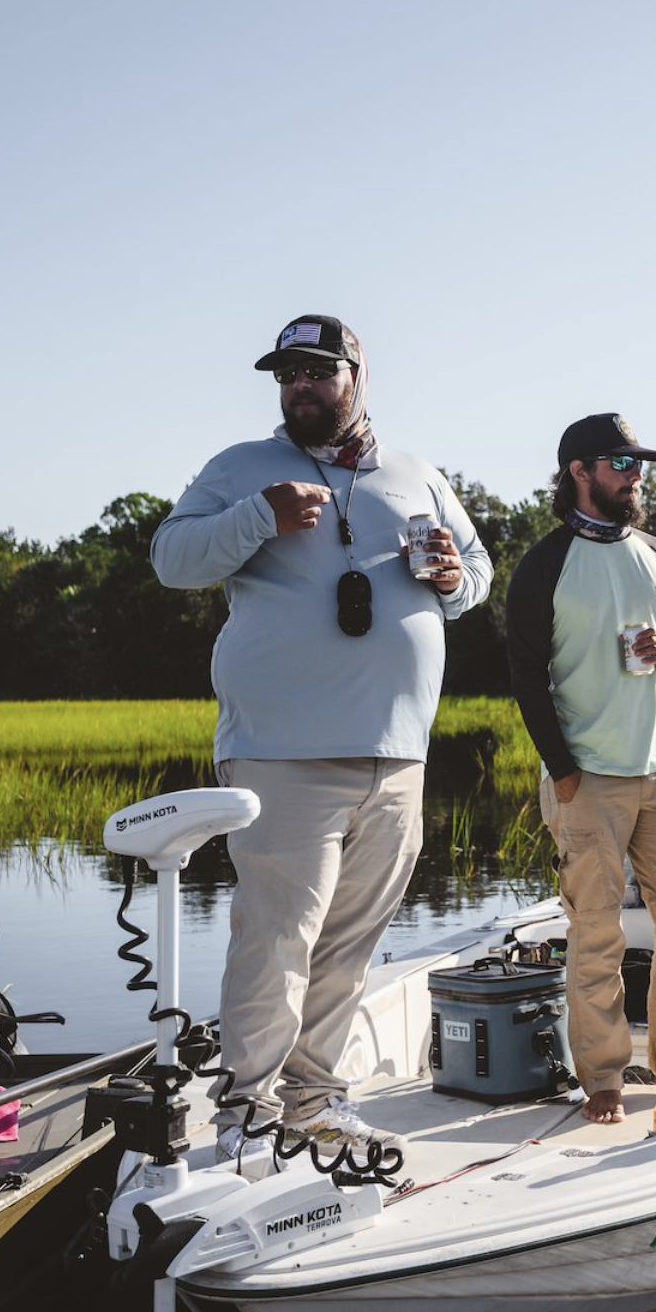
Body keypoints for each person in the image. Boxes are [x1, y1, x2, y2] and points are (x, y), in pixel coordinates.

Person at [150, 313, 492, 1153]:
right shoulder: (242, 469)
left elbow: (477, 574)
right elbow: (171, 559)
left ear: (357, 374)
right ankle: (247, 1113)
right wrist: (257, 518)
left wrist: (453, 577)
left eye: (317, 371)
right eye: (287, 374)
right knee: (277, 939)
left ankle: (315, 1099)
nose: (299, 386)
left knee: (348, 945)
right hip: (281, 753)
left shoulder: (417, 475)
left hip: (398, 756)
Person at [505, 413, 656, 1124]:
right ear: (580, 473)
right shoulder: (545, 564)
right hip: (587, 779)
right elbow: (526, 677)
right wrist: (562, 772)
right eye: (621, 464)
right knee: (596, 937)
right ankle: (602, 1081)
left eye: (638, 464)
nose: (636, 476)